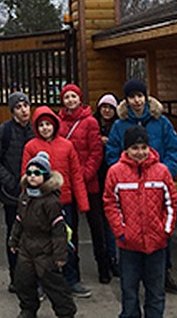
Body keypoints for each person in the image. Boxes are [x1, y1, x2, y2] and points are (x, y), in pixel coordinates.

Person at [105, 79, 177, 294]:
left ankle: (164, 274)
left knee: (159, 230)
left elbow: (174, 149)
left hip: (156, 184)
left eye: (140, 95)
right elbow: (112, 152)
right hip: (128, 187)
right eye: (132, 96)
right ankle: (132, 280)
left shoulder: (161, 121)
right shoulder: (119, 125)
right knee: (131, 229)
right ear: (127, 100)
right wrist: (123, 173)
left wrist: (163, 173)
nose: (137, 100)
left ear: (146, 96)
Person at [105, 126, 176, 318]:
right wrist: (121, 232)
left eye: (144, 147)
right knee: (129, 291)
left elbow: (170, 202)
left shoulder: (161, 171)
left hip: (156, 243)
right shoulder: (115, 172)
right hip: (129, 244)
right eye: (135, 148)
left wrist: (166, 230)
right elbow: (111, 204)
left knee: (156, 291)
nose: (140, 152)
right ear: (126, 149)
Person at [22, 105, 90, 298]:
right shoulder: (31, 147)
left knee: (68, 241)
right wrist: (26, 200)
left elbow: (76, 174)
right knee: (42, 244)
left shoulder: (67, 146)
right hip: (40, 204)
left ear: (55, 125)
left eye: (48, 124)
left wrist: (83, 202)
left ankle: (72, 279)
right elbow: (25, 175)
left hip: (65, 202)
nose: (45, 128)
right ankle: (42, 283)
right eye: (41, 125)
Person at [57, 83, 114, 285]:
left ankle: (103, 265)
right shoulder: (59, 122)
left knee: (97, 226)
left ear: (79, 98)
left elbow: (96, 152)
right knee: (70, 229)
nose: (70, 100)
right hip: (67, 183)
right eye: (67, 97)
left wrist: (83, 175)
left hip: (88, 183)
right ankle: (73, 271)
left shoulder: (90, 122)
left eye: (73, 96)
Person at [9, 151, 77, 318]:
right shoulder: (25, 196)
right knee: (23, 281)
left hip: (45, 249)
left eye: (37, 173)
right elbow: (19, 220)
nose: (32, 176)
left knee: (53, 284)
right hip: (26, 247)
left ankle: (65, 312)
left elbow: (58, 230)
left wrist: (60, 255)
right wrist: (14, 240)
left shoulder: (51, 201)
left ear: (45, 176)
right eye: (29, 173)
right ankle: (28, 309)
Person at [0, 90, 36, 293]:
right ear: (13, 110)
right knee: (14, 237)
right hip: (12, 194)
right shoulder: (4, 131)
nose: (23, 110)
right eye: (18, 107)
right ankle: (15, 278)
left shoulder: (37, 129)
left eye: (25, 105)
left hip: (35, 193)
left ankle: (34, 277)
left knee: (35, 236)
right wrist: (9, 180)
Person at [95, 93, 120, 279]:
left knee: (113, 221)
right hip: (97, 177)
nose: (106, 111)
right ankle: (105, 260)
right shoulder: (93, 125)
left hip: (115, 178)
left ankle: (114, 259)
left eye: (110, 108)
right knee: (100, 223)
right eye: (104, 107)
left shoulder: (119, 127)